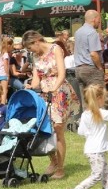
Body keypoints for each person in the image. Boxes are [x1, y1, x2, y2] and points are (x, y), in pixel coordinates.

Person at [23, 30, 79, 180]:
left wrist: (54, 88)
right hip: (44, 93)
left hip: (58, 91)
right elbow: (36, 78)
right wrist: (30, 86)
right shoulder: (35, 56)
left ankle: (60, 168)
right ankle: (53, 161)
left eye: (30, 48)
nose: (30, 51)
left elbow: (62, 73)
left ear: (36, 41)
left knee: (58, 128)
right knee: (44, 128)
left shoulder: (55, 49)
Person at [73, 10, 104, 89]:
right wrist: (100, 68)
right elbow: (93, 54)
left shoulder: (77, 32)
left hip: (79, 69)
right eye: (99, 19)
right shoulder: (92, 32)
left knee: (85, 98)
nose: (99, 22)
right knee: (97, 96)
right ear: (94, 19)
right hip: (90, 69)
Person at [0, 38, 13, 104]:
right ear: (8, 45)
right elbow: (6, 64)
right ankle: (3, 104)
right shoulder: (6, 54)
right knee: (5, 90)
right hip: (3, 74)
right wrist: (7, 74)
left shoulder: (0, 53)